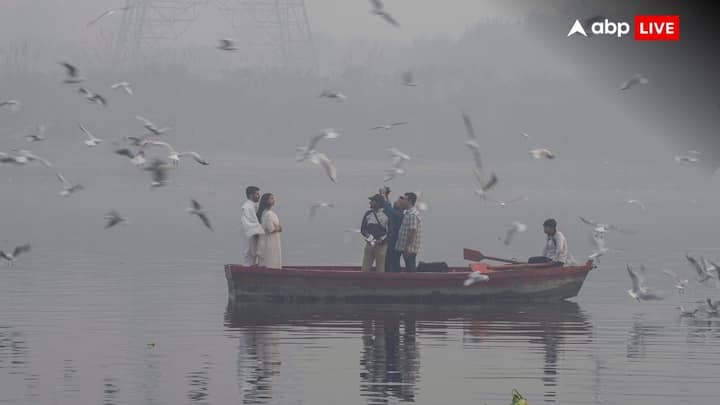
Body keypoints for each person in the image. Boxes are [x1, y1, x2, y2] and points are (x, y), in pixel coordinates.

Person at [361, 194, 390, 272]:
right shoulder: (368, 214)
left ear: (378, 203)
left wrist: (382, 240)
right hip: (369, 244)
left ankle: (380, 283)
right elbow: (363, 229)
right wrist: (369, 238)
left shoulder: (387, 215)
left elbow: (390, 231)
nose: (370, 203)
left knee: (380, 269)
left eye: (372, 201)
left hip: (381, 246)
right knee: (365, 269)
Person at [395, 192, 422, 272]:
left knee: (410, 268)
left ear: (409, 201)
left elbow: (412, 231)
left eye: (404, 199)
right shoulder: (408, 212)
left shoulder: (412, 214)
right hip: (404, 246)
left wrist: (408, 247)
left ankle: (412, 283)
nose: (402, 201)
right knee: (408, 266)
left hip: (409, 248)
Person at [380, 187, 404, 273]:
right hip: (393, 241)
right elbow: (389, 207)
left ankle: (391, 278)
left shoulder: (399, 214)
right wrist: (386, 196)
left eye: (397, 201)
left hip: (394, 242)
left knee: (390, 261)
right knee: (392, 261)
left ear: (401, 205)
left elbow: (388, 209)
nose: (395, 201)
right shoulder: (398, 212)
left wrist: (383, 195)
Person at [256, 193, 283, 269]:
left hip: (268, 241)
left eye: (273, 198)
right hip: (270, 242)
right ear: (266, 201)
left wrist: (277, 227)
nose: (274, 200)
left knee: (269, 260)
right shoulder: (268, 214)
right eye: (271, 198)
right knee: (271, 260)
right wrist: (279, 228)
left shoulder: (264, 213)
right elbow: (271, 229)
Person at [240, 186, 264, 266]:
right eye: (257, 194)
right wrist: (258, 231)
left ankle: (250, 268)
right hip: (250, 233)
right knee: (249, 253)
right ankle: (247, 269)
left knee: (253, 253)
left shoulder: (253, 206)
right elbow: (249, 222)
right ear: (250, 195)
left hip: (253, 233)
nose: (259, 196)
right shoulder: (247, 207)